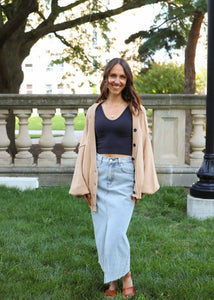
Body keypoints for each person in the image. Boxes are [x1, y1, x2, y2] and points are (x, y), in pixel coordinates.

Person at [69, 58, 159, 297]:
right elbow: (85, 148)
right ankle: (112, 280)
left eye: (122, 77)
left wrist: (140, 186)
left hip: (124, 175)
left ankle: (125, 274)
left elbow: (145, 149)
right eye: (113, 76)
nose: (117, 81)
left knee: (116, 233)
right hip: (98, 174)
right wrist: (84, 184)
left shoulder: (136, 111)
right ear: (106, 78)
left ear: (127, 80)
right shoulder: (93, 111)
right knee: (102, 233)